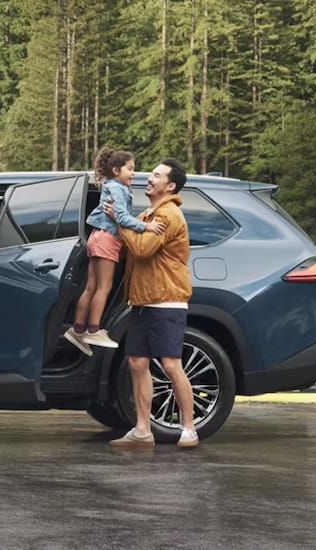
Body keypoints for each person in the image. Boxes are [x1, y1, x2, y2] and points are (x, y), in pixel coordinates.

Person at [107, 158, 199, 449]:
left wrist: (120, 221)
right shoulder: (149, 215)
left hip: (166, 301)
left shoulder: (168, 215)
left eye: (157, 176)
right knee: (137, 363)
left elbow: (144, 249)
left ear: (170, 186)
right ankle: (143, 430)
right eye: (151, 174)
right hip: (143, 301)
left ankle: (189, 428)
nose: (149, 178)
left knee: (171, 364)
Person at [64, 147, 165, 356]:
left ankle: (78, 330)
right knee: (104, 287)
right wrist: (146, 226)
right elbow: (121, 216)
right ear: (117, 170)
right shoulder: (118, 188)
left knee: (91, 287)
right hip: (108, 239)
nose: (134, 173)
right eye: (130, 168)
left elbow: (119, 215)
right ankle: (94, 330)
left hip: (97, 237)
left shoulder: (111, 185)